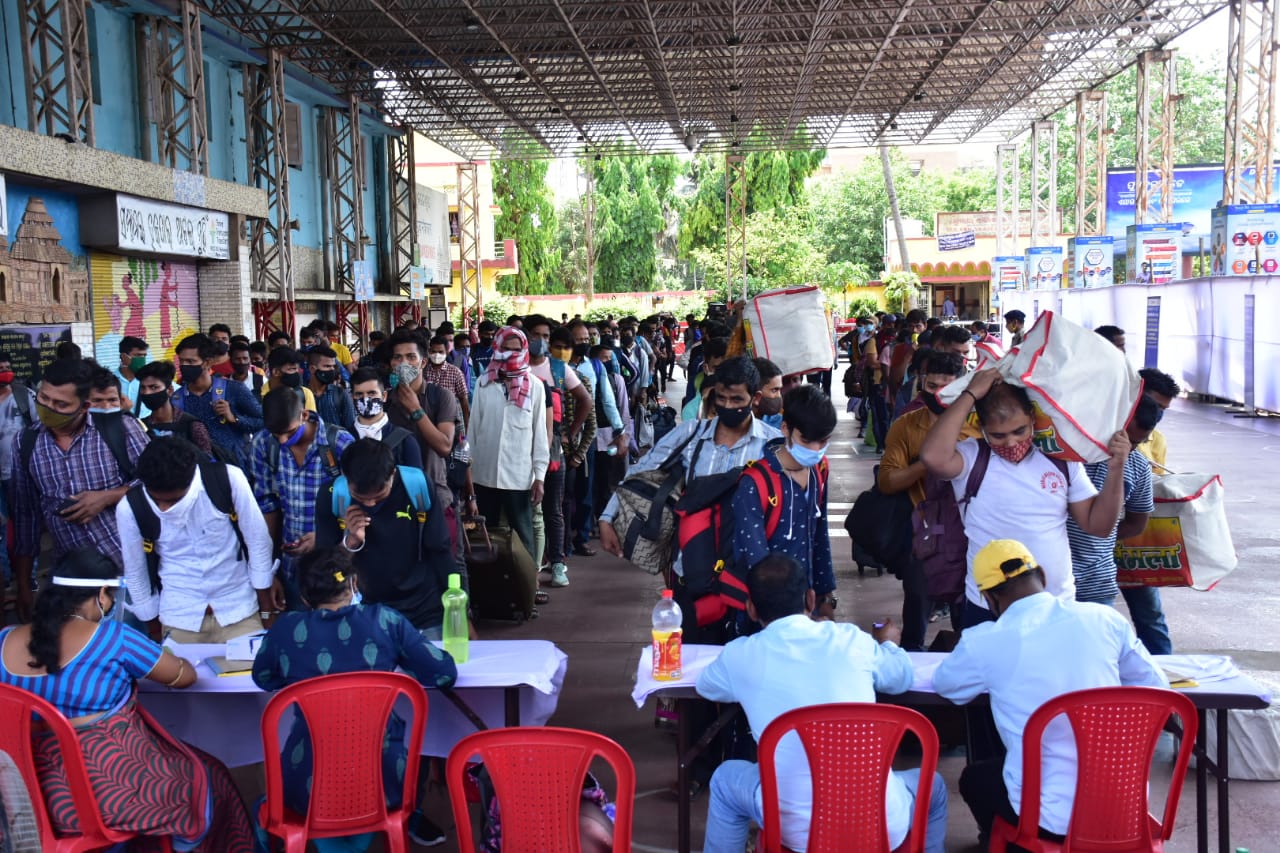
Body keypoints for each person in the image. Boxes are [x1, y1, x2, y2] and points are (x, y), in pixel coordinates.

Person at [0, 548, 257, 850]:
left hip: (23, 796)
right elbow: (183, 677)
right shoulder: (113, 638)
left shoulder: (5, 639)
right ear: (103, 593)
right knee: (210, 776)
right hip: (106, 796)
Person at [698, 553, 948, 853]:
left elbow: (706, 685)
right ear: (810, 598)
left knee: (726, 780)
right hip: (880, 825)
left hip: (793, 830)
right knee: (933, 786)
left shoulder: (741, 656)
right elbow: (901, 677)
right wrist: (889, 643)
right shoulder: (851, 640)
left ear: (751, 609)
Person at [933, 539, 1167, 845]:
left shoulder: (985, 641)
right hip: (1124, 806)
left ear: (989, 597)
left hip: (1046, 816)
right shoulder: (1104, 618)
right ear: (1042, 577)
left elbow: (947, 686)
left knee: (976, 779)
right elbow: (1155, 688)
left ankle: (1016, 844)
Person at [252, 547, 457, 850]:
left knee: (269, 801)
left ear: (305, 598)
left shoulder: (286, 630)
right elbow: (443, 673)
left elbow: (263, 678)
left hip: (305, 782)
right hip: (386, 780)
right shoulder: (386, 621)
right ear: (354, 584)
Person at [919, 369, 1126, 627]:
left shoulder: (1060, 460)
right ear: (981, 428)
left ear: (1032, 417)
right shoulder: (971, 459)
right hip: (988, 607)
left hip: (1055, 603)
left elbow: (1099, 526)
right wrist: (970, 394)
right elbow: (932, 457)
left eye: (1019, 430)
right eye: (998, 435)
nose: (1011, 442)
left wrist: (1117, 468)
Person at [10, 359, 150, 620]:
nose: (48, 408)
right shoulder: (26, 442)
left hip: (132, 572)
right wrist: (25, 585)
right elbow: (25, 516)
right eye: (44, 398)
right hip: (73, 582)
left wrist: (107, 497)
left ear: (85, 406)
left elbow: (157, 484)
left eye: (61, 404)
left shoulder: (119, 428)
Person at [116, 437, 281, 642]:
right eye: (156, 500)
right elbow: (135, 571)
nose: (164, 509)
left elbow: (257, 541)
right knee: (183, 675)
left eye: (173, 500)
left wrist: (266, 611)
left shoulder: (229, 479)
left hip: (240, 610)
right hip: (179, 618)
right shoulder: (130, 507)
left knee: (248, 674)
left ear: (191, 479)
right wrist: (154, 630)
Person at [878, 351, 979, 649]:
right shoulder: (907, 426)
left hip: (972, 531)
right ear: (922, 382)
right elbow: (887, 481)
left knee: (969, 613)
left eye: (946, 388)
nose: (937, 394)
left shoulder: (980, 427)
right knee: (917, 606)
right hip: (924, 535)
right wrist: (930, 462)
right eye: (931, 385)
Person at [314, 438, 457, 635]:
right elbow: (323, 569)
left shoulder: (417, 486)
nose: (371, 504)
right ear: (346, 479)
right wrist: (350, 542)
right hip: (365, 614)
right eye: (360, 497)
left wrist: (460, 612)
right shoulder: (332, 496)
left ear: (393, 474)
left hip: (424, 611)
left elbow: (440, 550)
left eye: (379, 495)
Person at [722, 384, 837, 626]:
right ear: (785, 428)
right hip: (765, 616)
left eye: (823, 441)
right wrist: (788, 619)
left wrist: (826, 595)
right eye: (806, 440)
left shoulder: (820, 470)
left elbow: (820, 537)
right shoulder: (754, 483)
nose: (816, 449)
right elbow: (756, 561)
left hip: (808, 604)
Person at [250, 388, 354, 600]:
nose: (282, 440)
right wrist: (271, 569)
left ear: (304, 415)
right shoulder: (263, 444)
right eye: (275, 433)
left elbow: (361, 503)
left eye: (289, 432)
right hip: (291, 569)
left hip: (337, 566)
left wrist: (324, 538)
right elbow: (267, 505)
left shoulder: (339, 443)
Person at [1067, 396, 1160, 606]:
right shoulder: (1068, 454)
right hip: (1051, 579)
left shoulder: (1138, 466)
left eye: (1137, 443)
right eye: (1125, 438)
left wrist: (1098, 536)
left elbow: (1137, 523)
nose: (1129, 448)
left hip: (1097, 584)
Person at [469, 327, 548, 557]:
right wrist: (470, 478)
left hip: (519, 476)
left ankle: (528, 587)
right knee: (487, 534)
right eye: (505, 349)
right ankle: (493, 588)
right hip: (484, 474)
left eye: (516, 350)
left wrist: (539, 477)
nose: (511, 354)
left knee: (523, 535)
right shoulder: (484, 383)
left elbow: (540, 435)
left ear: (524, 351)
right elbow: (473, 430)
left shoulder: (534, 386)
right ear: (496, 348)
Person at [384, 330, 457, 511]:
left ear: (423, 362)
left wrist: (416, 409)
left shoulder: (441, 397)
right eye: (397, 358)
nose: (403, 364)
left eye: (411, 357)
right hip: (393, 497)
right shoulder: (384, 400)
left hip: (434, 495)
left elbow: (444, 447)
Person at [172, 333, 264, 465]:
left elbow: (262, 421)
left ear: (208, 362)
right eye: (181, 361)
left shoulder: (233, 389)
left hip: (232, 467)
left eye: (191, 362)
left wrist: (234, 418)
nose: (184, 366)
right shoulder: (176, 398)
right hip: (193, 470)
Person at [348, 367, 424, 469]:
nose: (365, 399)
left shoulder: (405, 441)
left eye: (372, 393)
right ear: (352, 397)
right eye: (359, 394)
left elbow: (415, 481)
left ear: (384, 396)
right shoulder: (343, 439)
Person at [136, 360, 213, 454]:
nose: (146, 393)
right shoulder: (140, 427)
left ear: (170, 390)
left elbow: (207, 462)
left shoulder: (191, 425)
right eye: (143, 388)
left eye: (154, 387)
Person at [424, 334, 471, 431]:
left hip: (450, 420)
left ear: (446, 352)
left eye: (440, 352)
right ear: (429, 352)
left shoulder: (455, 372)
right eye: (433, 351)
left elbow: (463, 400)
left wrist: (467, 423)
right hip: (427, 420)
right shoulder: (423, 372)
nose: (437, 355)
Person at [306, 345, 356, 431]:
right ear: (312, 369)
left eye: (333, 366)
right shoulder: (301, 395)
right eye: (327, 366)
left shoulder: (341, 394)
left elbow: (351, 428)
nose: (332, 370)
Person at [262, 345, 318, 412]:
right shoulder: (258, 396)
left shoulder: (305, 394)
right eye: (292, 369)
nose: (297, 373)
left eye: (297, 369)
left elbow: (312, 421)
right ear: (276, 372)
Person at [113, 335, 149, 414]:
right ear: (123, 357)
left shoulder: (149, 381)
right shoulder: (111, 381)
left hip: (144, 424)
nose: (142, 359)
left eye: (144, 355)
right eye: (138, 355)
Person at [751, 357, 784, 429]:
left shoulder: (781, 423)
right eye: (774, 390)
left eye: (779, 390)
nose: (779, 396)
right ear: (756, 394)